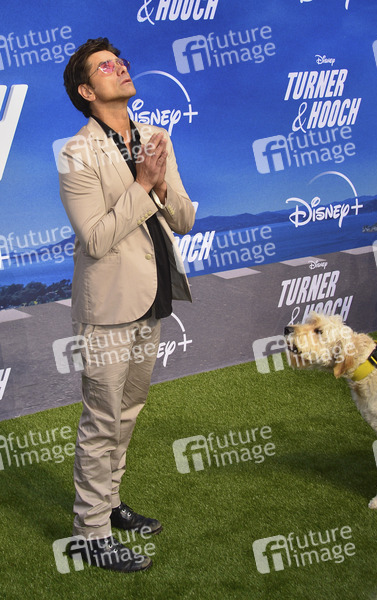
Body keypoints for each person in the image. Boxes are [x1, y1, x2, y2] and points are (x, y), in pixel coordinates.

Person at [59, 37, 195, 572]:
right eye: (105, 66)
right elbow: (95, 238)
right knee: (101, 421)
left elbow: (183, 219)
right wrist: (142, 184)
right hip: (109, 306)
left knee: (129, 411)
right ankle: (90, 534)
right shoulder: (76, 152)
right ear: (87, 92)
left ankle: (111, 505)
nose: (120, 68)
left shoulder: (157, 137)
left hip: (153, 297)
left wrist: (158, 186)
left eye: (120, 61)